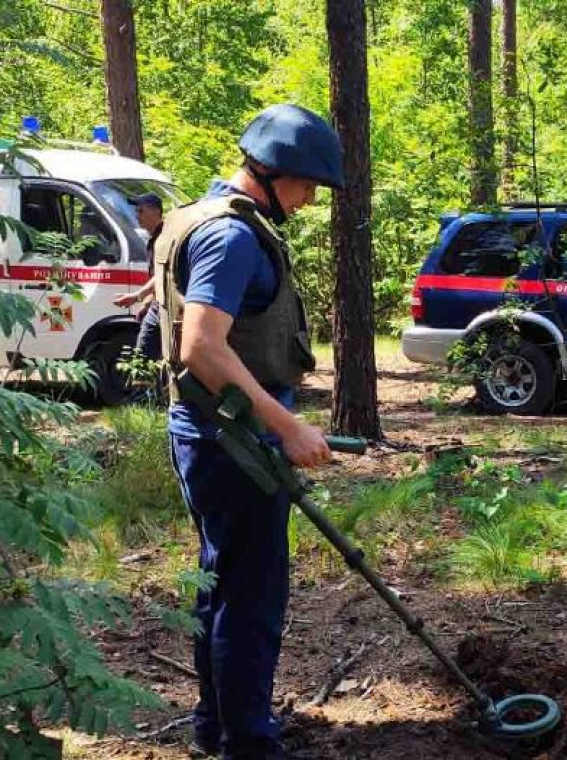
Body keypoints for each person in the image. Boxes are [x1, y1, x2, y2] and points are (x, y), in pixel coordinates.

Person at [153, 104, 344, 760]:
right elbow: (201, 347)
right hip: (231, 441)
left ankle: (218, 727)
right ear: (274, 172)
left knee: (221, 580)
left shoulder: (196, 216)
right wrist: (287, 426)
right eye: (308, 183)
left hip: (208, 432)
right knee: (252, 597)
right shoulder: (231, 237)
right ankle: (249, 745)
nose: (311, 197)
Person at [113, 193, 165, 361]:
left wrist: (137, 296)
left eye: (141, 211)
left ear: (156, 211)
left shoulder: (164, 237)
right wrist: (147, 302)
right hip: (158, 303)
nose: (137, 216)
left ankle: (144, 386)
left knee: (143, 357)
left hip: (166, 305)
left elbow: (162, 274)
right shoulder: (154, 238)